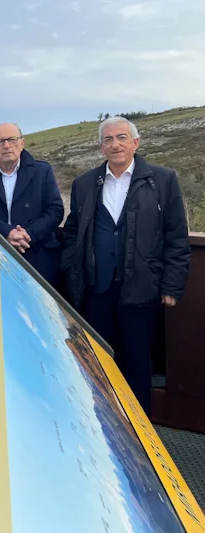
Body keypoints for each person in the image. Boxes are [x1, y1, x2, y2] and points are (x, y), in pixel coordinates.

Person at [61, 116, 191, 413]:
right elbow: (73, 232)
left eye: (121, 137)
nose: (115, 144)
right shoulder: (84, 184)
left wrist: (172, 284)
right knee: (98, 366)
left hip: (141, 290)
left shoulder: (162, 179)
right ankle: (102, 428)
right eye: (108, 139)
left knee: (136, 367)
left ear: (136, 142)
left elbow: (176, 235)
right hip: (96, 291)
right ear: (101, 147)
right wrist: (73, 273)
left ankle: (140, 438)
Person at [0, 122, 65, 285]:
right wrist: (7, 233)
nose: (7, 146)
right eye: (0, 141)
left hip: (40, 256)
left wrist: (29, 235)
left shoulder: (42, 171)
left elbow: (55, 210)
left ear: (22, 143)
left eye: (12, 139)